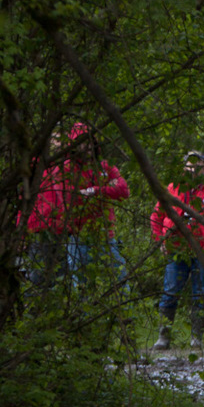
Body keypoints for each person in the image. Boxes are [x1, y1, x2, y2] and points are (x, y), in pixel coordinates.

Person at [150, 151, 204, 351]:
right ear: (184, 168)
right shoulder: (173, 190)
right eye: (189, 165)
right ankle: (164, 337)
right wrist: (160, 240)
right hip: (177, 249)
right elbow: (156, 215)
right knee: (170, 291)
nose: (193, 169)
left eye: (197, 165)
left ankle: (196, 338)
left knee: (201, 293)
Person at [26, 122, 129, 289]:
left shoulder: (104, 166)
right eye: (81, 141)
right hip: (75, 233)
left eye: (88, 141)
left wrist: (95, 190)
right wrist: (107, 188)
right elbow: (71, 198)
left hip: (104, 233)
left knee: (119, 278)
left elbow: (123, 190)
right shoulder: (65, 168)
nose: (86, 146)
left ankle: (124, 314)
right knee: (76, 283)